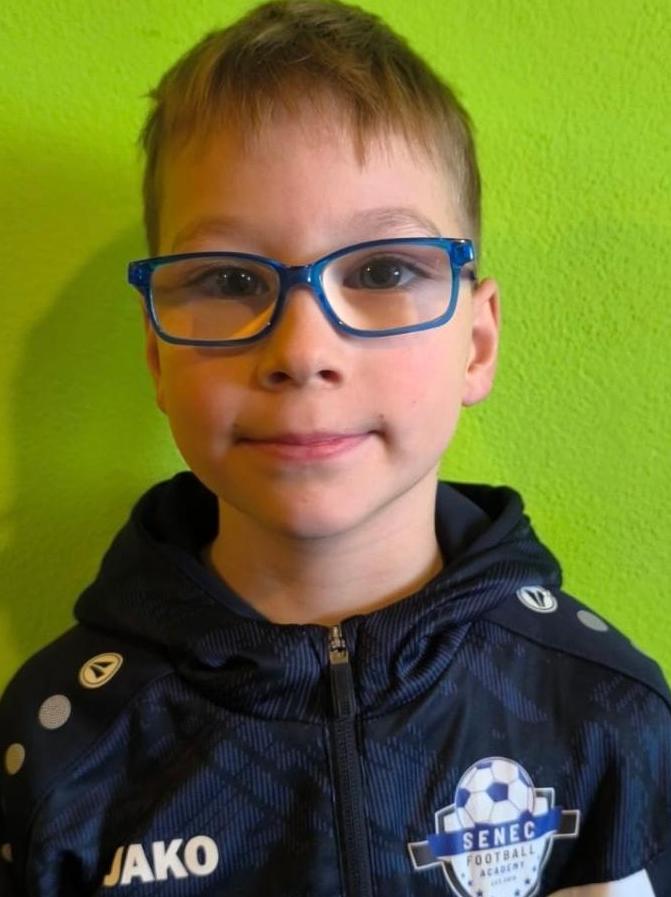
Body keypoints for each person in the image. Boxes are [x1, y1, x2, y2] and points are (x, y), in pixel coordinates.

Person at [1, 1, 670, 894]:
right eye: (228, 279)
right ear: (157, 357)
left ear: (476, 344)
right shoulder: (57, 744)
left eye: (383, 270)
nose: (303, 350)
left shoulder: (605, 711)